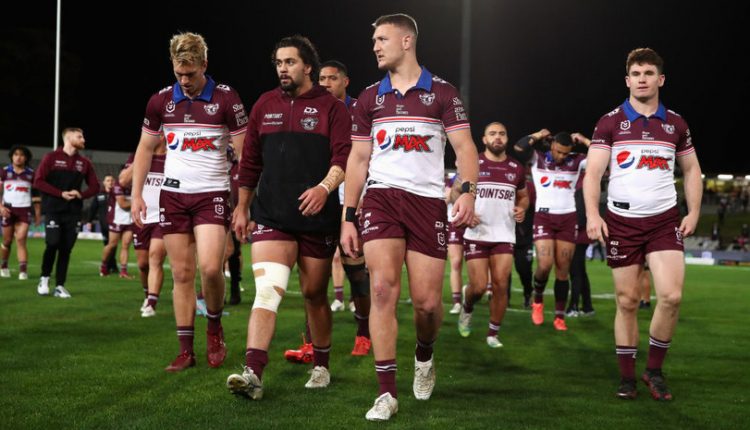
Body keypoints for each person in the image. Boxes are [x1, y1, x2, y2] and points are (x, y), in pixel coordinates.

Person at [340, 13, 479, 421]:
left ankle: (424, 354)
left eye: (382, 39)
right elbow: (358, 159)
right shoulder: (369, 98)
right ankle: (386, 392)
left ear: (406, 41)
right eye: (374, 40)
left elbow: (465, 148)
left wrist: (468, 192)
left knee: (428, 305)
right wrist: (349, 215)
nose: (375, 46)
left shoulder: (442, 93)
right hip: (381, 199)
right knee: (382, 289)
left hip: (427, 203)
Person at [226, 35, 351, 400]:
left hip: (317, 218)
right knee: (267, 291)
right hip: (272, 215)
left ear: (308, 66)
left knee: (314, 294)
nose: (283, 68)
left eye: (290, 62)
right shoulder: (265, 104)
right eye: (279, 63)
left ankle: (322, 364)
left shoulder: (332, 108)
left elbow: (343, 159)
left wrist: (324, 189)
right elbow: (250, 162)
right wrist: (242, 206)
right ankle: (253, 373)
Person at [583, 48, 702, 401]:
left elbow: (691, 169)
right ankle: (627, 377)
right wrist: (592, 214)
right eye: (636, 74)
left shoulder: (676, 124)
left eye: (648, 73)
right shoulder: (609, 122)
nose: (642, 79)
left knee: (671, 297)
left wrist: (694, 211)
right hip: (622, 223)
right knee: (627, 301)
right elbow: (593, 173)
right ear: (627, 80)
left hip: (664, 220)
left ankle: (654, 371)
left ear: (660, 79)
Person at [131, 32, 247, 372]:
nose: (184, 80)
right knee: (181, 273)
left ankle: (214, 327)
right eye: (179, 73)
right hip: (173, 196)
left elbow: (245, 154)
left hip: (212, 194)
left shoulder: (226, 98)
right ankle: (185, 350)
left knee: (210, 268)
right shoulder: (160, 101)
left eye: (191, 73)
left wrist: (244, 202)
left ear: (204, 65)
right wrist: (137, 194)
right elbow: (144, 148)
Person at [284, 59, 372, 363]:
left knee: (356, 271)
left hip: (351, 200)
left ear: (345, 81)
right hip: (321, 200)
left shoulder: (360, 110)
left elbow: (367, 156)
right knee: (313, 276)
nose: (325, 84)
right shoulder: (311, 109)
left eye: (332, 78)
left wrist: (363, 196)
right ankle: (310, 343)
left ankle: (364, 333)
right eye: (321, 78)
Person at [456, 122, 528, 348]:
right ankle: (467, 306)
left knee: (500, 284)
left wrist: (522, 208)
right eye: (493, 134)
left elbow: (524, 196)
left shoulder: (516, 168)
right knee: (478, 287)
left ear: (507, 139)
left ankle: (493, 333)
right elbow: (456, 193)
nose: (498, 137)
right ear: (484, 139)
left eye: (502, 134)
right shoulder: (473, 163)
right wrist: (466, 211)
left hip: (504, 235)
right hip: (477, 233)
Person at [513, 130, 590, 331]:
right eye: (558, 151)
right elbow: (519, 147)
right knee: (545, 264)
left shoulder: (577, 160)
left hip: (568, 219)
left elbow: (603, 157)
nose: (561, 156)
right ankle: (537, 300)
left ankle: (559, 316)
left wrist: (584, 140)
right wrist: (538, 135)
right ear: (552, 145)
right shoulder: (537, 158)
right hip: (544, 218)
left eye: (566, 153)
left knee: (563, 269)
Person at [33, 127, 100, 298]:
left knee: (66, 249)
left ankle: (60, 286)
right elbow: (38, 181)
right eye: (79, 136)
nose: (83, 139)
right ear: (68, 138)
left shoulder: (84, 163)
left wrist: (81, 194)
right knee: (52, 243)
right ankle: (44, 278)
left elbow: (95, 187)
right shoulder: (51, 157)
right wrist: (60, 193)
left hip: (73, 212)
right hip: (54, 209)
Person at [119, 138, 167, 318]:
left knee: (155, 257)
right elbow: (123, 180)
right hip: (142, 217)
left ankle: (152, 303)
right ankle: (147, 295)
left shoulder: (173, 157)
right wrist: (141, 156)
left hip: (164, 217)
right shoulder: (138, 155)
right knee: (143, 264)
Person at [1, 145, 40, 280]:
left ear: (26, 158)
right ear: (12, 156)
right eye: (16, 154)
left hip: (24, 210)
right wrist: (0, 207)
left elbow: (36, 197)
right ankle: (4, 266)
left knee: (21, 239)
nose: (18, 157)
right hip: (8, 210)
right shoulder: (4, 172)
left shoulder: (31, 174)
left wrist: (38, 215)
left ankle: (23, 271)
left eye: (22, 155)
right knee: (7, 241)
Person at [567, 163, 595, 317]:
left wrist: (575, 228)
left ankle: (573, 306)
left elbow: (580, 210)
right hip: (583, 233)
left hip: (578, 233)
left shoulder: (581, 182)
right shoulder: (587, 180)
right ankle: (587, 306)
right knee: (580, 271)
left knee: (575, 271)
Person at [98, 172, 134, 278]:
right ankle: (103, 266)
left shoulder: (135, 185)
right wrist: (138, 201)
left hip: (129, 220)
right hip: (116, 220)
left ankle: (123, 271)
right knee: (112, 245)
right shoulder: (117, 186)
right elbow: (123, 204)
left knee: (126, 245)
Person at [88, 175, 117, 274]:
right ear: (104, 183)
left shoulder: (118, 195)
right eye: (108, 180)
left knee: (113, 245)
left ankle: (110, 266)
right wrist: (89, 221)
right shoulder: (99, 195)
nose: (110, 182)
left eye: (112, 180)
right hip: (104, 224)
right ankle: (111, 266)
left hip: (115, 223)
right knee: (107, 244)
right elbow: (93, 209)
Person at [445, 172, 465, 314]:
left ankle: (482, 290)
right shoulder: (450, 180)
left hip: (474, 222)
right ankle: (457, 302)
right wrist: (453, 187)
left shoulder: (478, 175)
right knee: (456, 262)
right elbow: (445, 200)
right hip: (454, 223)